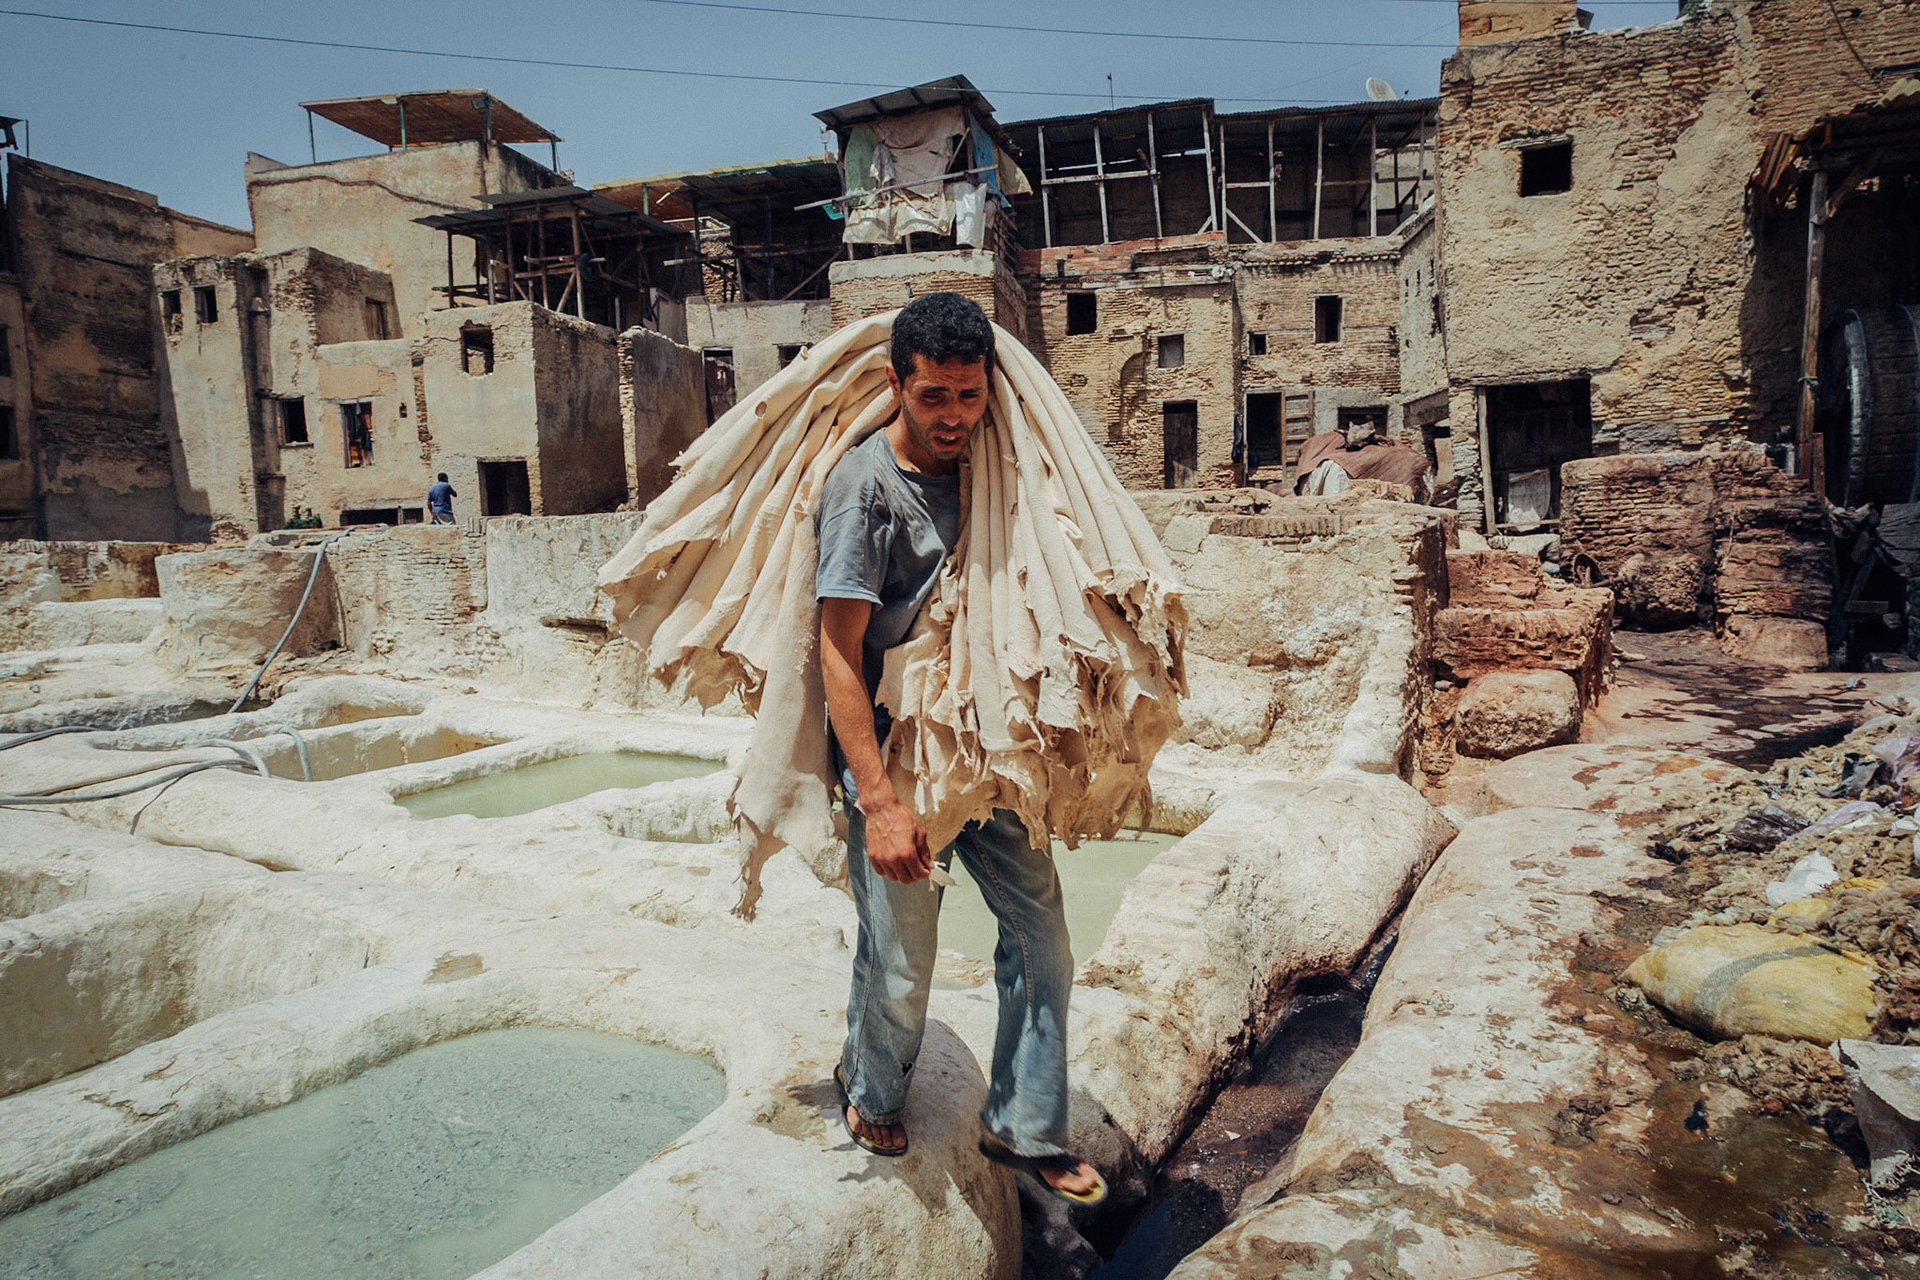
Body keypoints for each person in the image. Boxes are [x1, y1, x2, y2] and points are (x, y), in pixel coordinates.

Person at [814, 292, 1105, 1204]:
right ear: (897, 383)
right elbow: (837, 651)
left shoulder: (996, 467)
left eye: (969, 396)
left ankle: (1024, 1122)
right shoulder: (866, 491)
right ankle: (869, 1090)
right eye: (933, 395)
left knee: (1044, 939)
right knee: (902, 961)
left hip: (983, 745)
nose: (953, 416)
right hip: (899, 755)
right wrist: (878, 802)